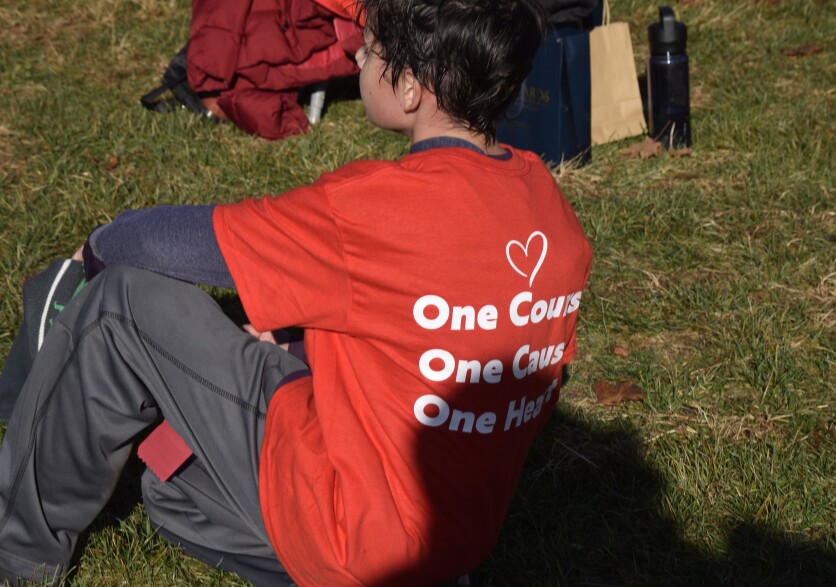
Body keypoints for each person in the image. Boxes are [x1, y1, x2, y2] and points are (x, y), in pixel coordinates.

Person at [0, 0, 593, 585]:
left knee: (121, 307)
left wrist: (98, 246)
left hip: (346, 534)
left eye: (373, 47)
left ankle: (15, 557)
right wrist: (303, 344)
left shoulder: (374, 210)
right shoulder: (549, 207)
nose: (356, 51)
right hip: (449, 545)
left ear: (411, 87)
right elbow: (475, 351)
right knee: (173, 485)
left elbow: (171, 244)